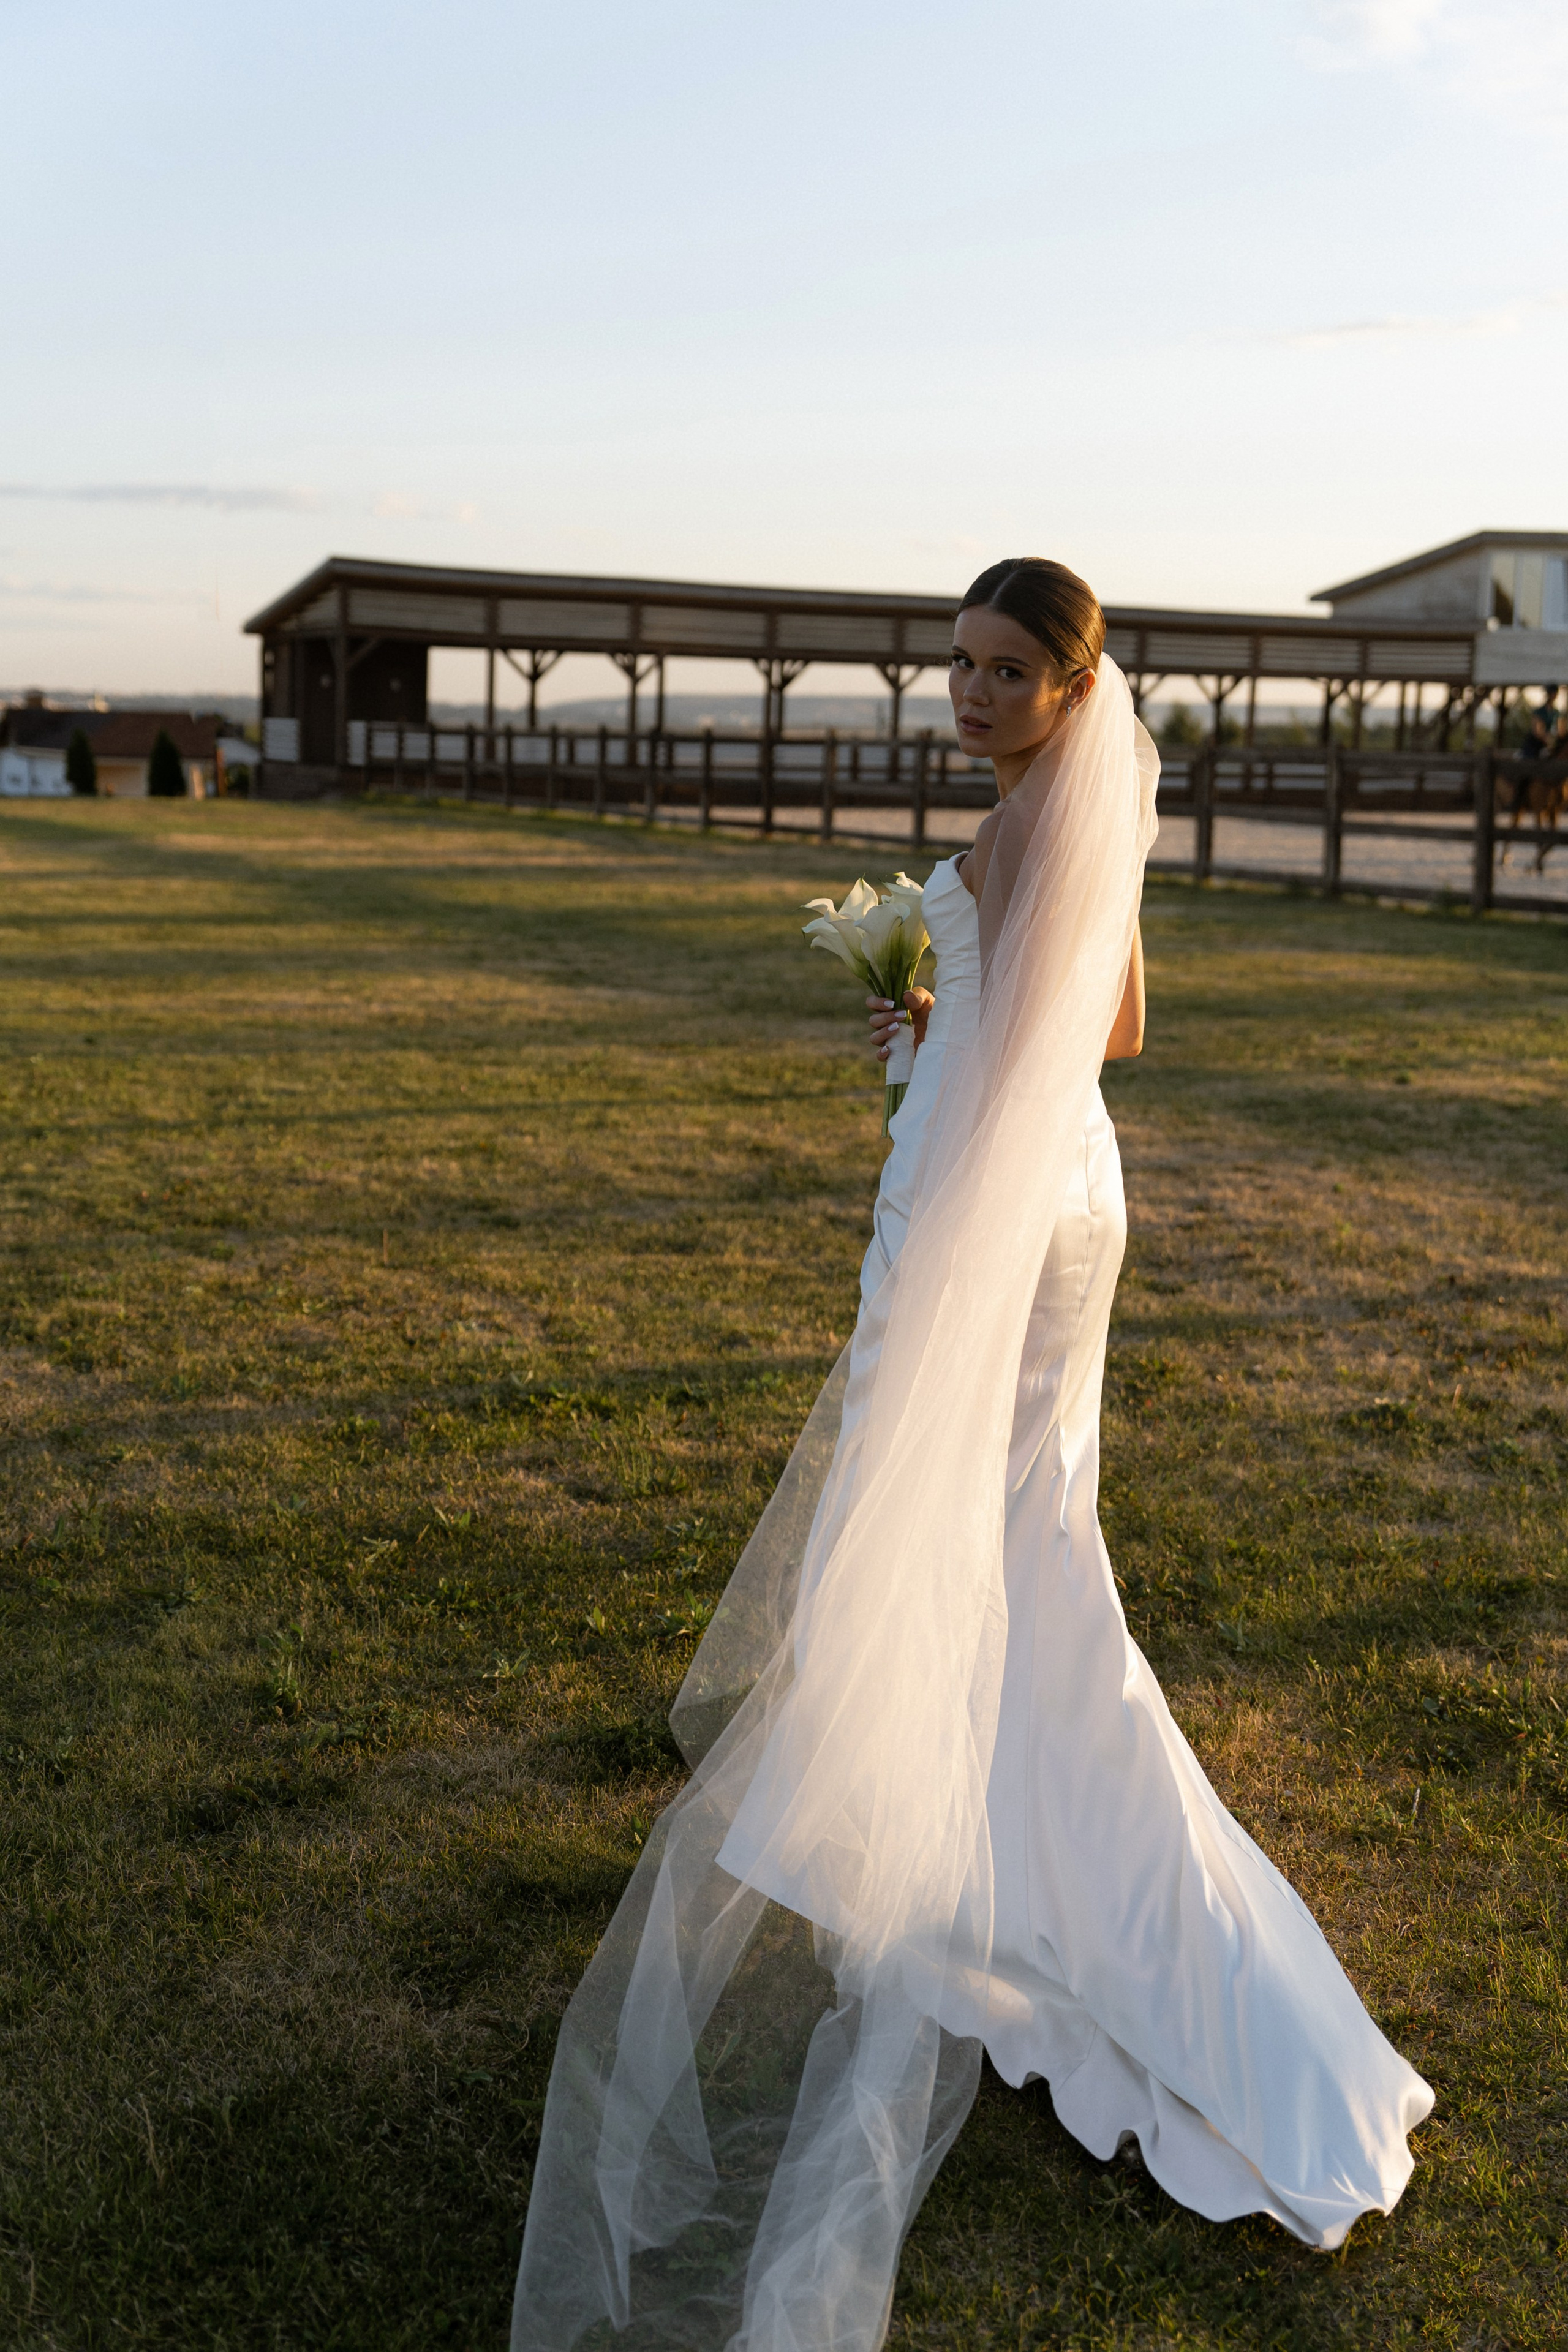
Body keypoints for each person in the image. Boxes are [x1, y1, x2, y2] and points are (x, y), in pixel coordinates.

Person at [513, 560, 1433, 2352]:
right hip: (1078, 1196)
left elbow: (1051, 1047)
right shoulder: (1059, 824)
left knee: (992, 1551)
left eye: (1008, 673)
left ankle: (1103, 1915)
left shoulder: (1023, 835)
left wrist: (942, 1138)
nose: (973, 696)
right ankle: (1001, 1849)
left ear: (1074, 687)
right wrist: (946, 1026)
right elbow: (1117, 1032)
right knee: (1024, 1551)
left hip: (1009, 1227)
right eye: (958, 668)